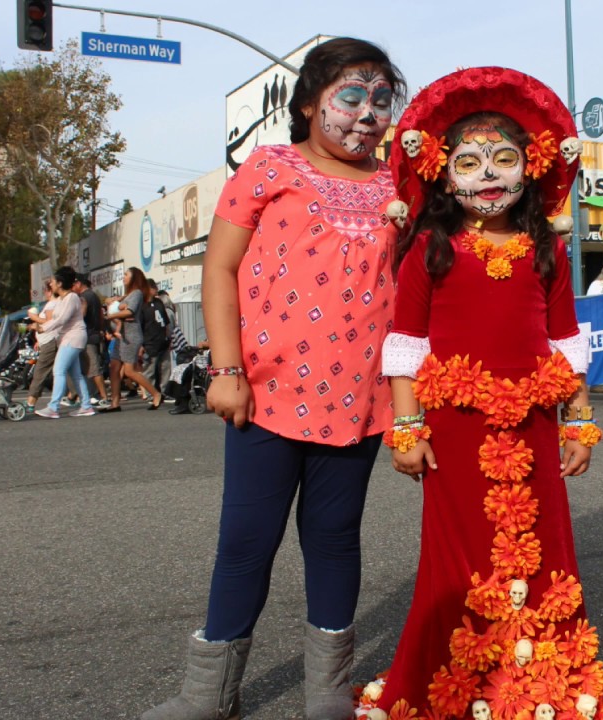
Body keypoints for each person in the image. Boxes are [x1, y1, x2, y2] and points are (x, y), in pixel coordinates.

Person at [141, 37, 405, 720]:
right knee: (247, 540)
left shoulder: (398, 185)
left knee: (335, 537)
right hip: (264, 392)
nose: (367, 112)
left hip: (361, 399)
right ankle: (208, 696)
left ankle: (326, 693)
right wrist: (225, 370)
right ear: (312, 102)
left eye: (382, 99)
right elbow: (219, 269)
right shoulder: (270, 165)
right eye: (351, 95)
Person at [365, 66, 603, 718]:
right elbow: (405, 344)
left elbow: (567, 341)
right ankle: (463, 688)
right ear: (444, 174)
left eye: (504, 160)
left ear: (531, 168)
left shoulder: (544, 248)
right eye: (471, 162)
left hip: (536, 425)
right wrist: (405, 428)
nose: (488, 175)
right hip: (454, 432)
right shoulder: (431, 246)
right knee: (458, 559)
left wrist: (578, 422)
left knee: (544, 550)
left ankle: (539, 684)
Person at [34, 266, 97, 419]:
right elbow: (57, 318)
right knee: (76, 374)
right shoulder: (63, 299)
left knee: (58, 370)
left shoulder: (71, 298)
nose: (51, 284)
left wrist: (43, 328)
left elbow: (62, 319)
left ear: (60, 283)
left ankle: (53, 407)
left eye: (53, 282)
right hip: (69, 338)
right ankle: (86, 406)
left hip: (73, 338)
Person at [100, 267, 162, 412]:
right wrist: (114, 302)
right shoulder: (129, 294)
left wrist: (112, 316)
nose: (123, 277)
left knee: (129, 371)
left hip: (131, 336)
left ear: (134, 278)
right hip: (122, 336)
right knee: (114, 368)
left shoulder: (137, 293)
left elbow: (130, 311)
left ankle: (155, 393)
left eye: (126, 275)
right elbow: (120, 306)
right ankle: (115, 403)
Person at [72, 273, 109, 405]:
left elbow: (81, 315)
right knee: (88, 368)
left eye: (73, 284)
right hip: (93, 335)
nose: (72, 287)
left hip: (88, 336)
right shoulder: (93, 295)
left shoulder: (84, 297)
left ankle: (104, 397)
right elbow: (100, 315)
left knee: (93, 369)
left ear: (79, 283)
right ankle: (91, 395)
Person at [25, 281, 60, 412]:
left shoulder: (52, 304)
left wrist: (34, 318)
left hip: (50, 342)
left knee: (40, 371)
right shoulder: (55, 304)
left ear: (50, 291)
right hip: (50, 340)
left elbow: (50, 322)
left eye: (45, 290)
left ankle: (31, 401)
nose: (44, 294)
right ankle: (81, 397)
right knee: (68, 371)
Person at [139, 278, 172, 400]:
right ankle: (150, 393)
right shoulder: (142, 306)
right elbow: (140, 326)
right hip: (149, 343)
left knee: (165, 368)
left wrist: (169, 337)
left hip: (163, 341)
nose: (155, 290)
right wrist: (141, 345)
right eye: (153, 288)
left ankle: (165, 391)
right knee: (149, 370)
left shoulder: (159, 303)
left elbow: (166, 322)